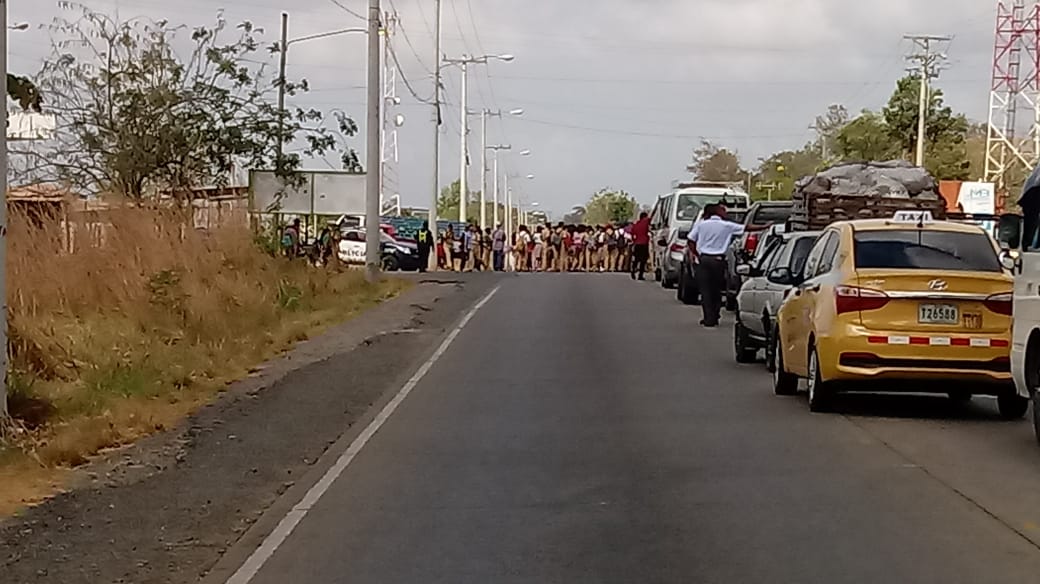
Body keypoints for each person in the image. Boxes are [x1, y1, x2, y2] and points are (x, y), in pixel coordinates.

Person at [687, 204, 746, 328]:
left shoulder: (701, 224)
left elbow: (691, 240)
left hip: (704, 260)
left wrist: (696, 254)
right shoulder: (727, 225)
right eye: (723, 210)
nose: (725, 212)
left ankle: (708, 317)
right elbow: (746, 228)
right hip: (718, 260)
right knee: (716, 289)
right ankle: (715, 314)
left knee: (705, 290)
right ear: (717, 212)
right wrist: (766, 226)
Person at [630, 212, 651, 280]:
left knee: (636, 259)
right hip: (644, 243)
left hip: (637, 244)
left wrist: (634, 241)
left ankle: (633, 271)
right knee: (643, 260)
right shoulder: (645, 223)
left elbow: (632, 233)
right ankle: (640, 275)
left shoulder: (636, 224)